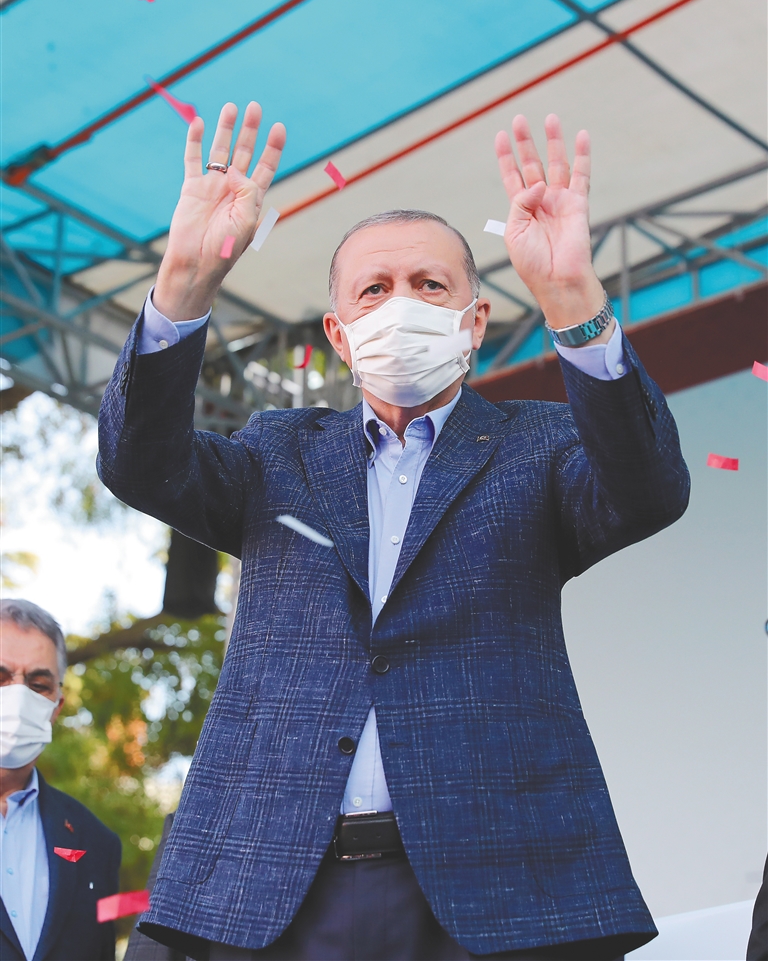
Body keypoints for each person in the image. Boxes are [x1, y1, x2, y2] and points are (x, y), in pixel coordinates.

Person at [97, 102, 690, 960]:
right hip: (282, 887)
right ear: (339, 335)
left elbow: (648, 489)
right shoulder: (275, 453)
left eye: (430, 285)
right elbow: (139, 463)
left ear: (475, 322)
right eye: (374, 289)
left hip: (498, 882)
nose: (401, 304)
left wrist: (573, 299)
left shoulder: (540, 447)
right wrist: (183, 283)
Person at [0, 599, 121, 961]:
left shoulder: (97, 843)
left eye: (37, 684)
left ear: (56, 707)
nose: (17, 697)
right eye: (0, 678)